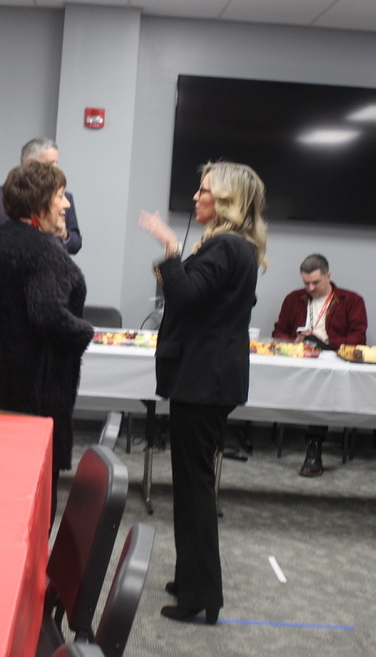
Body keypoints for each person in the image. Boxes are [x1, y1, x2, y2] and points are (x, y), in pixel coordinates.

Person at [139, 161, 267, 626]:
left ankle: (201, 595)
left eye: (204, 190)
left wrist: (172, 250)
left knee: (194, 489)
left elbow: (188, 298)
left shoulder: (225, 246)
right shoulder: (234, 246)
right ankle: (191, 577)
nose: (195, 196)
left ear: (227, 200)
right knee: (194, 485)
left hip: (202, 380)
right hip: (208, 378)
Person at [0, 160, 94, 517]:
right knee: (35, 503)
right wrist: (85, 332)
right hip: (36, 396)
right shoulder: (45, 252)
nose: (66, 204)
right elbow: (49, 315)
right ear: (39, 203)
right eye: (59, 196)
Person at [272, 253, 368, 477]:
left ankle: (314, 445)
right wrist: (293, 341)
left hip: (332, 361)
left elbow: (358, 340)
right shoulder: (293, 299)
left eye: (315, 282)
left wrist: (324, 342)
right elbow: (278, 332)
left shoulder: (351, 301)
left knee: (323, 385)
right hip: (300, 359)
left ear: (328, 276)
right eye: (306, 283)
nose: (310, 288)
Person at [0, 137, 82, 258]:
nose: (56, 168)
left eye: (57, 163)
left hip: (51, 270)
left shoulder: (65, 198)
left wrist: (64, 234)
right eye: (50, 164)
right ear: (30, 163)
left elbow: (76, 243)